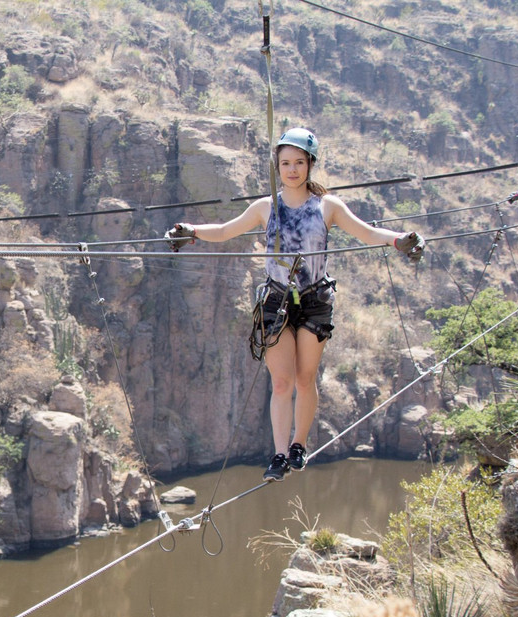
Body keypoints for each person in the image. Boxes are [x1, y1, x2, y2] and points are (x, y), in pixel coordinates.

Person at [165, 127, 425, 481]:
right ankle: (279, 454)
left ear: (310, 165)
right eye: (285, 163)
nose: (292, 170)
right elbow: (227, 230)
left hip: (315, 302)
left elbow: (366, 233)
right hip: (275, 302)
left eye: (299, 163)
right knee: (282, 382)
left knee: (305, 379)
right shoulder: (265, 207)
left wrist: (399, 240)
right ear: (277, 166)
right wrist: (191, 231)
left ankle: (299, 444)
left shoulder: (327, 206)